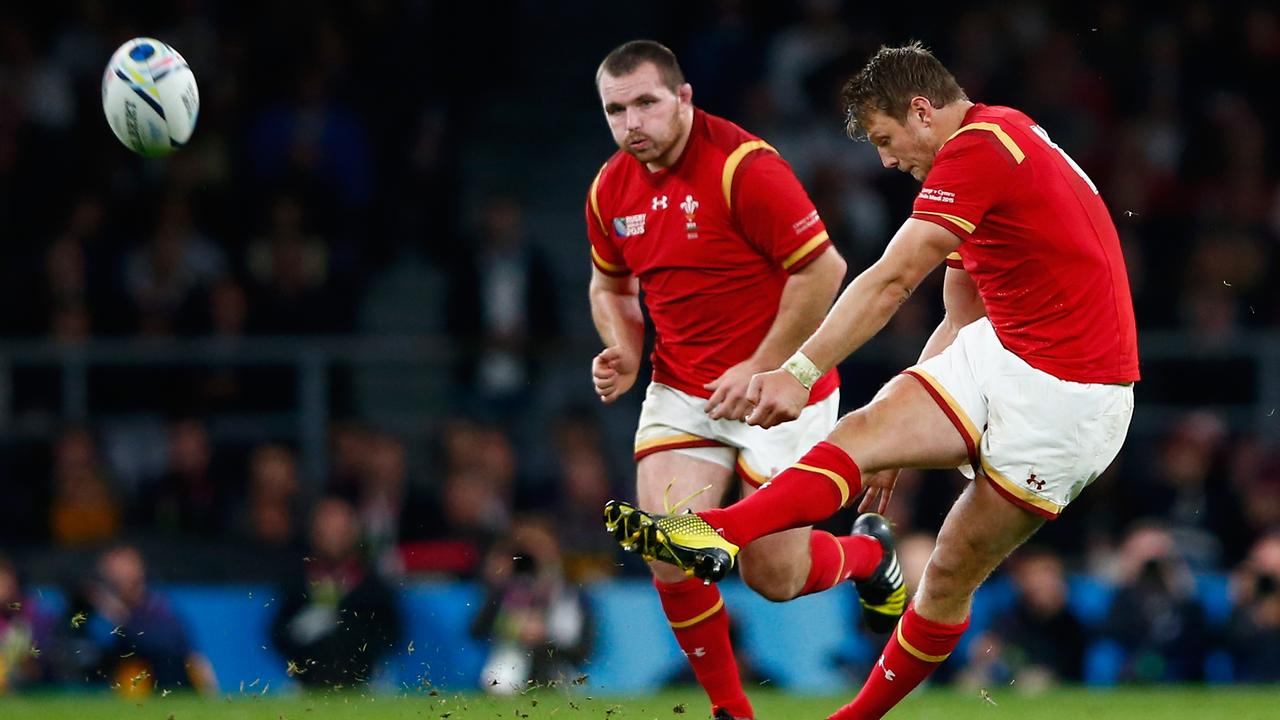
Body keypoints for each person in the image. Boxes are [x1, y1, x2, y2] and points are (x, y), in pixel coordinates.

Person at [608, 42, 1138, 719]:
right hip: (1010, 351)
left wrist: (800, 370)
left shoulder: (978, 149)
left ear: (923, 111)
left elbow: (891, 279)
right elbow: (962, 307)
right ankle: (716, 532)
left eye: (887, 140)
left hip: (1073, 397)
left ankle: (846, 711)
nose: (887, 160)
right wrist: (911, 418)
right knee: (863, 430)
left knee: (947, 574)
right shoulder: (1000, 138)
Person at [588, 40, 898, 720]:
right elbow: (609, 285)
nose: (632, 122)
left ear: (684, 97)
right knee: (670, 546)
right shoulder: (610, 188)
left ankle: (867, 556)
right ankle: (731, 710)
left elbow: (824, 270)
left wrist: (762, 363)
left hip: (785, 389)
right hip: (682, 392)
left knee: (774, 578)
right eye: (616, 110)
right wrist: (624, 346)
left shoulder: (742, 166)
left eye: (646, 102)